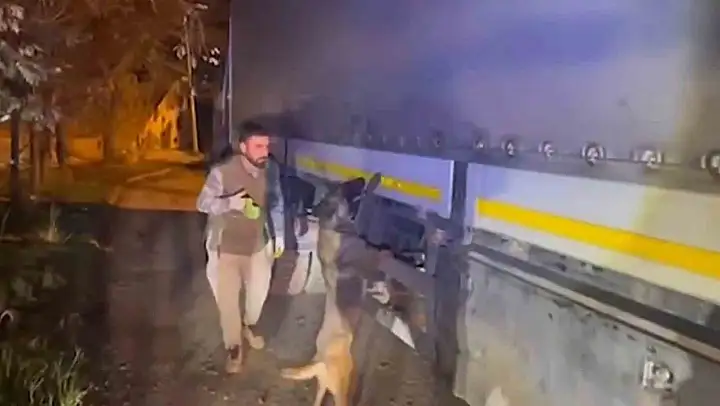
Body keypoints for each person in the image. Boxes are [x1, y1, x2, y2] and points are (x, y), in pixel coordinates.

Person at [196, 121, 285, 374]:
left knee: (257, 296)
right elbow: (202, 203)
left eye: (266, 146)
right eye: (258, 146)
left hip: (258, 246)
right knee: (228, 302)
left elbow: (277, 202)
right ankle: (233, 346)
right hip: (226, 248)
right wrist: (230, 203)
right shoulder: (222, 172)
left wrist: (279, 235)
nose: (265, 152)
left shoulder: (271, 170)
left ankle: (248, 324)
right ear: (243, 147)